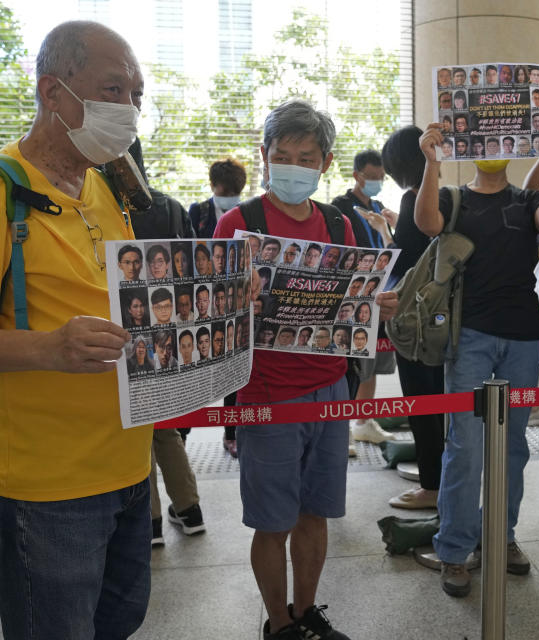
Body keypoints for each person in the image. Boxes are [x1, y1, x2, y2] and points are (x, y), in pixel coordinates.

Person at [213, 98, 397, 640]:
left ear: (326, 162)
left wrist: (377, 303)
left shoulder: (340, 225)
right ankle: (279, 623)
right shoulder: (237, 224)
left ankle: (307, 610)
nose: (293, 166)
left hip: (329, 388)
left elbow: (358, 297)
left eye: (306, 156)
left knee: (316, 514)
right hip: (266, 396)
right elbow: (205, 317)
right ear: (265, 156)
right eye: (283, 154)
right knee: (272, 522)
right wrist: (231, 300)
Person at [415, 114, 539, 597]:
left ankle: (501, 537)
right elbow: (427, 223)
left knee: (511, 446)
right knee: (465, 446)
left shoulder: (525, 200)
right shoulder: (454, 197)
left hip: (523, 336)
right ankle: (453, 549)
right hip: (468, 335)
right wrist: (432, 162)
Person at [380, 125, 446, 506]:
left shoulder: (413, 199)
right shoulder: (445, 197)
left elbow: (402, 262)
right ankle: (439, 477)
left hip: (416, 322)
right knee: (441, 402)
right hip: (444, 319)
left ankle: (432, 485)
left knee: (422, 402)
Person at [331, 149, 398, 250]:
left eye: (382, 177)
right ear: (356, 176)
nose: (378, 181)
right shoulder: (340, 206)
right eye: (372, 177)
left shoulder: (379, 207)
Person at [188, 158, 247, 237]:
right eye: (224, 194)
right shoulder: (198, 212)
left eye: (234, 195)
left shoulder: (247, 213)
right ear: (212, 186)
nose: (229, 198)